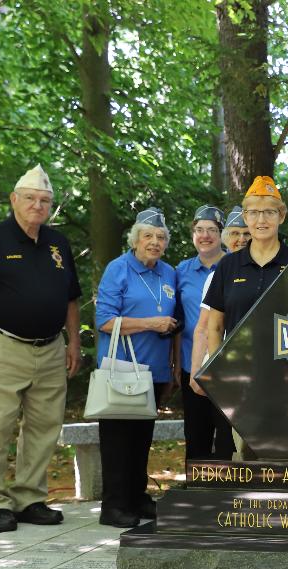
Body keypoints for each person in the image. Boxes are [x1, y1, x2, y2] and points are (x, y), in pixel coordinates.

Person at [0, 164, 81, 533]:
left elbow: (72, 299)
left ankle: (29, 498)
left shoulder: (59, 243)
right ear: (14, 200)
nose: (38, 205)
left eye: (45, 200)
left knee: (44, 426)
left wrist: (74, 343)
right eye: (31, 199)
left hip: (52, 348)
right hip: (2, 346)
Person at [95, 208, 178, 528]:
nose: (154, 242)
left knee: (141, 439)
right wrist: (150, 323)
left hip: (154, 372)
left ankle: (136, 496)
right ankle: (113, 506)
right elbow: (104, 321)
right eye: (148, 236)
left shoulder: (168, 273)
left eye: (160, 238)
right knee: (118, 441)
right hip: (122, 369)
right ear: (135, 240)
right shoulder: (119, 269)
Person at [204, 176, 288, 356]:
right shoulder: (228, 265)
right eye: (254, 212)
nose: (261, 220)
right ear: (245, 217)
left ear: (282, 216)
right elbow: (215, 326)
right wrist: (216, 375)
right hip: (236, 372)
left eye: (269, 212)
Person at [175, 206, 233, 460]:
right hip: (193, 366)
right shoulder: (180, 272)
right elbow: (178, 320)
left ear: (221, 234)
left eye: (211, 230)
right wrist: (176, 363)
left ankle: (227, 495)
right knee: (196, 436)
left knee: (227, 438)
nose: (205, 235)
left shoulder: (235, 267)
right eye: (199, 230)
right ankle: (196, 493)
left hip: (229, 368)